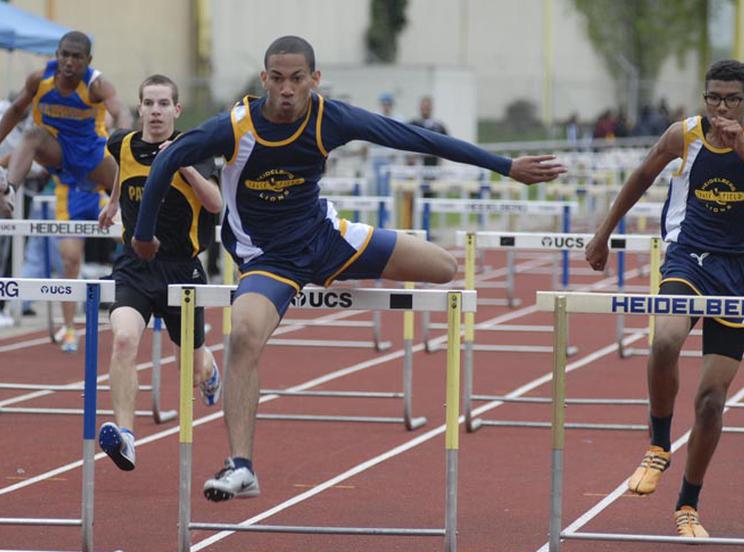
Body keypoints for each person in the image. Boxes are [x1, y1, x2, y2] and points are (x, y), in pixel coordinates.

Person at [131, 36, 565, 500]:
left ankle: (339, 263)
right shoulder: (235, 127)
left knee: (443, 267)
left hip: (326, 240)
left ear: (313, 81)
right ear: (264, 80)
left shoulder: (329, 117)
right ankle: (242, 467)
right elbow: (171, 157)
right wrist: (143, 233)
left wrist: (504, 166)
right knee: (242, 335)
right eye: (277, 79)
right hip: (268, 258)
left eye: (297, 79)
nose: (286, 90)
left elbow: (414, 136)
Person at [585, 59, 744, 538]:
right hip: (690, 259)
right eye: (713, 97)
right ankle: (658, 445)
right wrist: (602, 236)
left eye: (731, 99)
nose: (721, 107)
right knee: (664, 341)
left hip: (740, 273)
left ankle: (688, 504)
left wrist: (741, 149)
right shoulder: (685, 135)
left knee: (711, 403)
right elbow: (640, 176)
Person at [95, 74, 223, 471]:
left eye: (163, 103)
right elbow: (122, 168)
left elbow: (216, 204)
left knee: (192, 367)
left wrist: (184, 167)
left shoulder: (195, 149)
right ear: (139, 108)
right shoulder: (123, 142)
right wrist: (114, 202)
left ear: (176, 110)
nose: (155, 111)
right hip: (134, 267)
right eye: (148, 103)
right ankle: (128, 438)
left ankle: (210, 367)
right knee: (123, 339)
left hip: (182, 270)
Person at [0, 30, 131, 218]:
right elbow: (14, 111)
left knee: (127, 184)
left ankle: (138, 216)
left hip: (90, 151)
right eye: (65, 55)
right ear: (57, 55)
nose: (69, 62)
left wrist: (126, 147)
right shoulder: (39, 80)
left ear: (89, 59)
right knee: (33, 135)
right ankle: (9, 191)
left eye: (77, 57)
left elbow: (121, 112)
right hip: (56, 149)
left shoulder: (97, 85)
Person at [51, 174, 109, 352]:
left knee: (132, 240)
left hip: (100, 194)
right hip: (70, 196)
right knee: (70, 262)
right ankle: (69, 328)